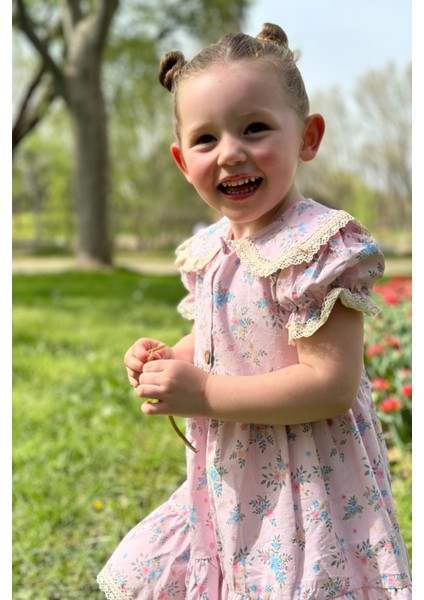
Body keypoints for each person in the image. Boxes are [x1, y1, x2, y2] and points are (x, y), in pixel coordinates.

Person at [97, 22, 411, 600]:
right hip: (235, 474)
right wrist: (171, 358)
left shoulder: (318, 246)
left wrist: (204, 393)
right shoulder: (211, 248)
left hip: (309, 479)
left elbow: (331, 384)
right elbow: (218, 338)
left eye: (255, 128)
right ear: (181, 161)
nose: (231, 153)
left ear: (308, 137)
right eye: (206, 139)